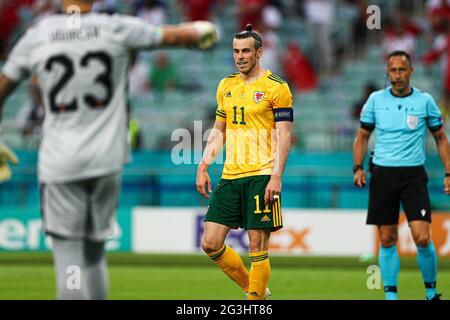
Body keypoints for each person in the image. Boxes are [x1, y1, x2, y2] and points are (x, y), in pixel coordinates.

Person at [0, 0, 218, 300]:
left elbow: (3, 87)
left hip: (60, 161)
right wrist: (203, 31)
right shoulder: (117, 27)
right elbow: (179, 36)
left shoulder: (38, 35)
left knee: (69, 259)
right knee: (94, 255)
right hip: (106, 160)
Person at [196, 24, 294, 300]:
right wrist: (204, 165)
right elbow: (219, 130)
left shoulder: (277, 88)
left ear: (259, 52)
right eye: (236, 51)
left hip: (261, 174)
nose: (240, 56)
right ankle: (255, 289)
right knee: (210, 243)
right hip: (230, 176)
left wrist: (276, 176)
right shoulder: (226, 85)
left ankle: (254, 301)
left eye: (246, 51)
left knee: (256, 245)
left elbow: (285, 135)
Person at [353, 50, 450, 300]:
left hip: (413, 177)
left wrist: (449, 172)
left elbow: (440, 138)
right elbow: (362, 136)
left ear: (411, 71)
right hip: (382, 174)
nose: (397, 75)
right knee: (387, 239)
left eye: (401, 70)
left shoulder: (425, 101)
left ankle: (430, 292)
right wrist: (358, 167)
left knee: (422, 236)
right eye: (392, 70)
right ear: (387, 72)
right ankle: (391, 296)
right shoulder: (375, 100)